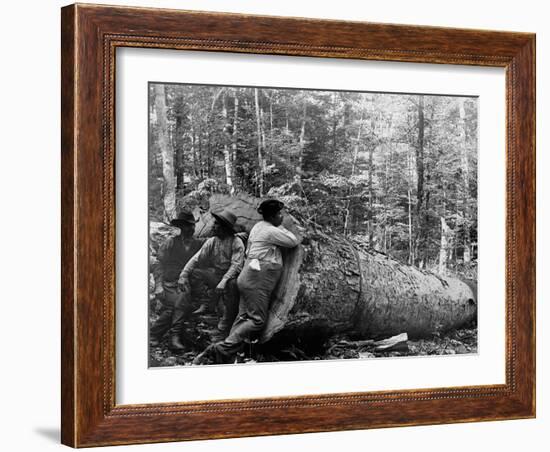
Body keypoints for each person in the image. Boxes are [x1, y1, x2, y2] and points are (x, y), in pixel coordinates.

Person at [205, 199, 299, 364]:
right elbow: (292, 240)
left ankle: (226, 356)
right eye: (279, 215)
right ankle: (221, 349)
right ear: (273, 216)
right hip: (257, 279)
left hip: (248, 275)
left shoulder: (258, 227)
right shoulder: (270, 230)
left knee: (242, 317)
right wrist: (281, 227)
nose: (282, 217)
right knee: (257, 320)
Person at [177, 208, 245, 343]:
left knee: (233, 285)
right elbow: (196, 259)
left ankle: (225, 325)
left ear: (224, 228)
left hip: (231, 277)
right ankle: (205, 303)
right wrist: (183, 275)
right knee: (196, 273)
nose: (213, 227)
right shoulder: (212, 241)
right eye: (214, 224)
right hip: (216, 275)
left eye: (216, 225)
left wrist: (224, 281)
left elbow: (236, 265)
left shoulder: (236, 242)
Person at [150, 210, 203, 350]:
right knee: (178, 302)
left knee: (174, 306)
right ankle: (173, 337)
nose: (191, 228)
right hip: (169, 284)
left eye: (192, 225)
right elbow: (159, 265)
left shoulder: (199, 244)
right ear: (181, 227)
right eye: (187, 225)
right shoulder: (170, 243)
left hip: (187, 284)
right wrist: (159, 286)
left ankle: (155, 335)